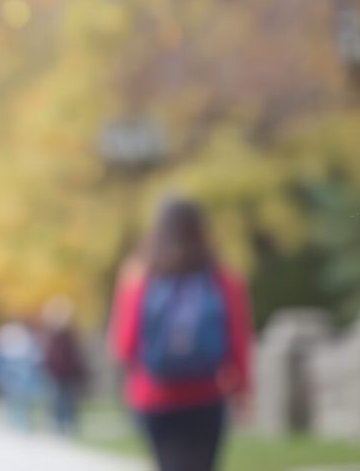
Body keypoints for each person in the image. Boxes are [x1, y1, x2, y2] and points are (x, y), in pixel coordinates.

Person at [108, 198, 253, 471]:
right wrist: (242, 390)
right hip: (207, 394)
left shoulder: (137, 276)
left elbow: (123, 346)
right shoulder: (225, 278)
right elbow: (239, 341)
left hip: (153, 396)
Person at [39, 297, 90, 435]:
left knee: (67, 398)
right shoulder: (51, 334)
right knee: (57, 398)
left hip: (66, 372)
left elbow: (75, 354)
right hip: (56, 372)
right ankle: (58, 422)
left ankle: (68, 423)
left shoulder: (69, 334)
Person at [0, 320, 43, 433]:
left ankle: (20, 421)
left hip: (20, 373)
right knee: (15, 397)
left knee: (20, 397)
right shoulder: (16, 343)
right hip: (16, 373)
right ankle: (16, 421)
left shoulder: (21, 343)